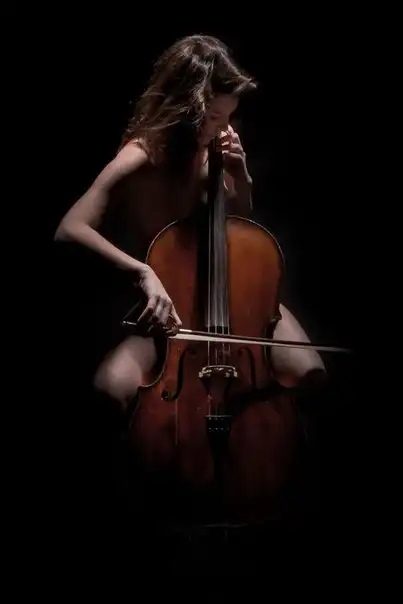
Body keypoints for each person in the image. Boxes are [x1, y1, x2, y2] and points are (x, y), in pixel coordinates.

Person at [54, 34, 326, 414]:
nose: (223, 128)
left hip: (234, 297)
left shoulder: (213, 148)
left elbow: (240, 230)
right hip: (171, 309)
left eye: (228, 116)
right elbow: (70, 228)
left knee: (311, 375)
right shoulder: (141, 156)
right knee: (111, 389)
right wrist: (142, 272)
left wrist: (241, 178)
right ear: (186, 108)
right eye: (214, 117)